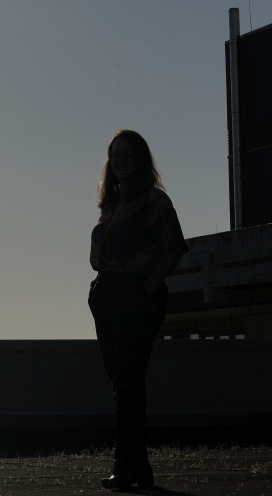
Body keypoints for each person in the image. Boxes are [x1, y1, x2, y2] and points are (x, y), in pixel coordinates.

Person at [88, 130, 187, 491]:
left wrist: (146, 288)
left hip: (137, 294)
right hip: (108, 293)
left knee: (129, 383)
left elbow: (174, 249)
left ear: (141, 159)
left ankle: (125, 465)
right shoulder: (111, 203)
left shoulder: (155, 202)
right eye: (116, 155)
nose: (121, 160)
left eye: (128, 154)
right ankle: (137, 467)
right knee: (123, 385)